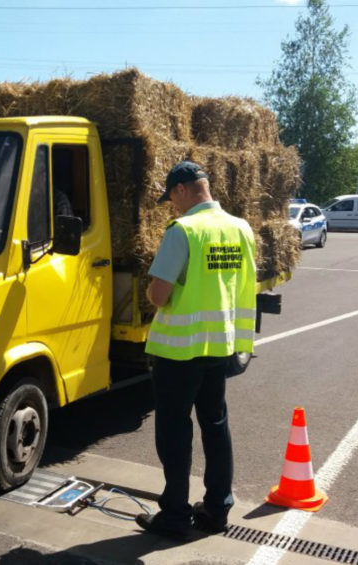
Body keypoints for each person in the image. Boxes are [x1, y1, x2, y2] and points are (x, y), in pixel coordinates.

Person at [135, 161, 255, 539]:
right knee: (215, 426)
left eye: (171, 197)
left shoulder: (183, 230)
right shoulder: (240, 228)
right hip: (219, 346)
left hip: (178, 351)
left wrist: (148, 290)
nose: (172, 205)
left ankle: (174, 515)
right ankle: (217, 509)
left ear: (184, 189)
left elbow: (159, 295)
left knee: (174, 432)